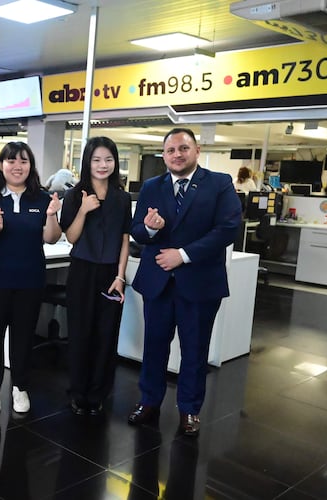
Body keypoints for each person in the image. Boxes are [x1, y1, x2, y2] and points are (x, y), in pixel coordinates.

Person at [127, 127, 241, 437]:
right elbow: (137, 231)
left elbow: (228, 228)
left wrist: (184, 254)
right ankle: (149, 402)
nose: (177, 154)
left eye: (183, 148)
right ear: (163, 155)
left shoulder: (218, 184)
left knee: (194, 350)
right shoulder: (152, 186)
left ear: (196, 150)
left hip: (199, 281)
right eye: (170, 150)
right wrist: (149, 230)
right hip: (158, 282)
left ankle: (189, 409)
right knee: (153, 347)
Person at [0, 141, 62, 414]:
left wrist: (52, 216)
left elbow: (51, 238)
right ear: (1, 165)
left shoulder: (43, 199)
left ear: (30, 166)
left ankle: (20, 387)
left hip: (29, 282)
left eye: (23, 161)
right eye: (11, 161)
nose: (17, 166)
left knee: (22, 337)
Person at [60, 137, 131, 417]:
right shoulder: (74, 194)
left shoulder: (122, 198)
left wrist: (120, 276)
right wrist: (84, 209)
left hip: (111, 273)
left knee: (106, 335)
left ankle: (98, 393)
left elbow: (125, 239)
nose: (103, 165)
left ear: (115, 163)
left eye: (109, 159)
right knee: (80, 333)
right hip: (82, 269)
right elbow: (71, 236)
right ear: (87, 162)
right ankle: (78, 392)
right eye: (97, 159)